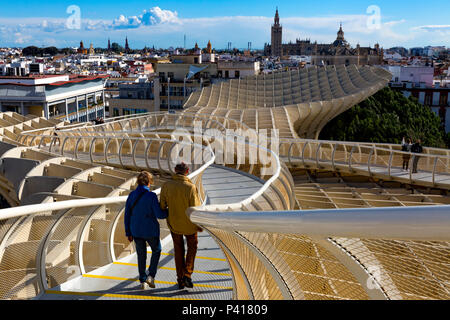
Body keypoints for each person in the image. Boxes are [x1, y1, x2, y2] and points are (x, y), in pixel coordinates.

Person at [160, 162, 202, 289]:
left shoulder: (166, 185)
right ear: (187, 171)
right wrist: (199, 224)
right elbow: (195, 208)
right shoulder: (190, 187)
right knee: (192, 247)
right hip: (190, 225)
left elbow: (162, 206)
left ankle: (180, 280)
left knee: (178, 251)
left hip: (174, 224)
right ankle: (187, 274)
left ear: (175, 170)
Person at [124, 171, 168, 290]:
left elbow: (127, 214)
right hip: (150, 230)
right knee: (157, 250)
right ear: (149, 182)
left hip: (136, 230)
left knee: (141, 255)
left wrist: (128, 232)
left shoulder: (131, 195)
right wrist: (169, 211)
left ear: (138, 182)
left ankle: (142, 280)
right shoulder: (152, 196)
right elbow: (159, 214)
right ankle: (151, 275)